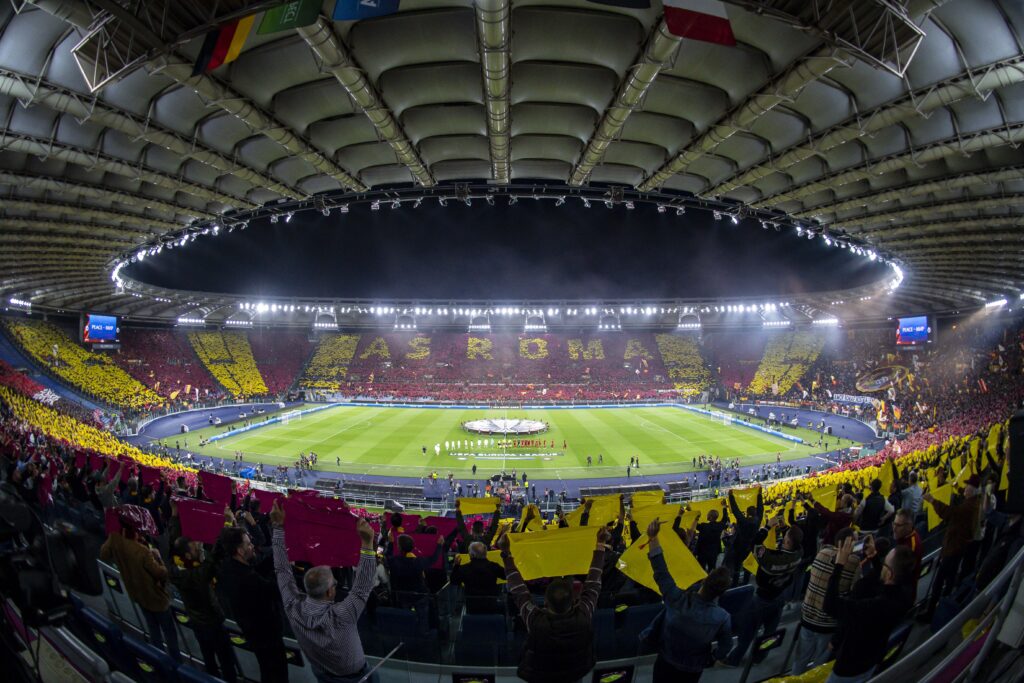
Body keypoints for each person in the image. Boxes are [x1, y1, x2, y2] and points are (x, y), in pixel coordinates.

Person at [270, 502, 378, 683]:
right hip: (355, 678)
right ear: (329, 592)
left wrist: (277, 527)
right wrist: (367, 542)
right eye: (334, 584)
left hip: (321, 673)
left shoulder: (292, 607)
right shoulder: (341, 616)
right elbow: (362, 589)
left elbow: (281, 570)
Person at [498, 526, 611, 683]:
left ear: (545, 601)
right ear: (573, 600)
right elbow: (593, 584)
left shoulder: (537, 622)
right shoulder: (582, 616)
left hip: (541, 676)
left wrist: (506, 554)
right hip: (576, 673)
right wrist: (600, 545)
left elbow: (519, 592)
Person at [645, 519, 732, 682]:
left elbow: (661, 572)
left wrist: (653, 537)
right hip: (693, 668)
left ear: (705, 580)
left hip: (666, 662)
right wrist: (712, 659)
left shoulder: (677, 599)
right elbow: (726, 646)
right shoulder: (723, 617)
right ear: (722, 592)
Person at [823, 537, 916, 683]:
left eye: (885, 562)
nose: (882, 564)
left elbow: (830, 605)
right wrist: (874, 558)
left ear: (890, 573)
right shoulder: (905, 595)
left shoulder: (873, 607)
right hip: (872, 660)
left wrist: (839, 564)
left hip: (848, 669)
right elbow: (887, 579)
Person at [100, 506, 180, 662]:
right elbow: (161, 573)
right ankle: (176, 664)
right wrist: (158, 557)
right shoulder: (143, 552)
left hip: (137, 594)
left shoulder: (115, 538)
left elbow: (104, 554)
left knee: (153, 630)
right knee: (169, 633)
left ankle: (158, 660)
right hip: (156, 598)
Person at [168, 503, 237, 681]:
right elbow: (214, 559)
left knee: (209, 660)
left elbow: (173, 541)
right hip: (212, 624)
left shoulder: (178, 566)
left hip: (198, 623)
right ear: (188, 556)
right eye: (194, 547)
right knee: (227, 661)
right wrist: (227, 524)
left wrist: (175, 514)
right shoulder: (196, 575)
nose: (199, 546)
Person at [724, 516, 803, 666]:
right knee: (770, 632)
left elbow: (755, 544)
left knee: (748, 631)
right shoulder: (799, 554)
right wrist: (784, 527)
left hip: (762, 600)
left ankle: (734, 659)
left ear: (786, 542)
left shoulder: (772, 559)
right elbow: (795, 542)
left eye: (785, 536)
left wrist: (767, 527)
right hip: (779, 598)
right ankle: (759, 657)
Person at [219, 525, 289, 681]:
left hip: (253, 634)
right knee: (277, 675)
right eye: (248, 544)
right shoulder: (249, 580)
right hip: (267, 637)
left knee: (267, 671)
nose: (252, 547)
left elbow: (255, 569)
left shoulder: (229, 567)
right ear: (240, 551)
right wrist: (283, 566)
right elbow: (276, 590)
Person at [790, 527, 860, 675]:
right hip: (828, 624)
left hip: (808, 618)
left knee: (800, 659)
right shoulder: (854, 563)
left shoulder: (822, 553)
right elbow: (854, 591)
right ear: (848, 544)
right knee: (819, 664)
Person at [921, 477, 984, 619]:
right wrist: (956, 486)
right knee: (949, 580)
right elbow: (963, 498)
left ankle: (931, 612)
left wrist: (932, 500)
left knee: (939, 582)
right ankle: (942, 607)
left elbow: (951, 513)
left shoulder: (968, 507)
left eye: (967, 486)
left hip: (953, 548)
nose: (965, 488)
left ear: (972, 490)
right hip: (957, 547)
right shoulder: (974, 501)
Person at [451, 541, 505, 613]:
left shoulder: (464, 568)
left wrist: (456, 566)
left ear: (471, 554)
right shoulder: (494, 566)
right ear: (485, 553)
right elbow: (506, 576)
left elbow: (454, 581)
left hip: (472, 607)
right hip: (491, 606)